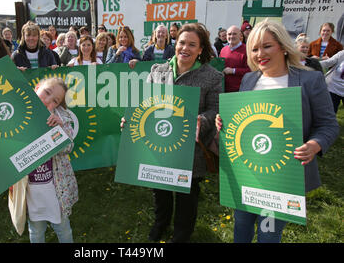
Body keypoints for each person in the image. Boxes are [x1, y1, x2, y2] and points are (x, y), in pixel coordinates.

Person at [215, 19, 339, 243]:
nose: (259, 54)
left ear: (283, 46)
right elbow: (243, 121)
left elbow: (328, 125)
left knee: (268, 233)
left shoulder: (310, 80)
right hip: (248, 171)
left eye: (267, 46)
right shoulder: (249, 79)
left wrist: (314, 145)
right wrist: (224, 122)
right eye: (254, 49)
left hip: (281, 177)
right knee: (241, 227)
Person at [123, 23, 222, 242]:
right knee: (160, 189)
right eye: (182, 42)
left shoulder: (212, 76)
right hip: (161, 143)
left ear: (200, 49)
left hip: (191, 148)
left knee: (187, 194)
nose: (185, 48)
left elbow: (215, 108)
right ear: (175, 44)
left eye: (192, 44)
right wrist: (131, 120)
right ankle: (161, 223)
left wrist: (202, 120)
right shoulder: (158, 71)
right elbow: (145, 104)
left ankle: (181, 234)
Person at [0, 77, 78, 243]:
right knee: (35, 230)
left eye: (55, 101)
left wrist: (60, 130)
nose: (48, 100)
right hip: (29, 191)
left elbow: (68, 148)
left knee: (63, 228)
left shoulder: (60, 119)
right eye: (47, 92)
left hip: (55, 189)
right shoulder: (13, 115)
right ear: (36, 88)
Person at [220, 25, 251, 92]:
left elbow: (251, 70)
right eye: (229, 34)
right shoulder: (223, 50)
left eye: (234, 34)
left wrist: (233, 71)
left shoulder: (247, 50)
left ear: (240, 36)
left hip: (239, 91)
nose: (231, 36)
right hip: (223, 89)